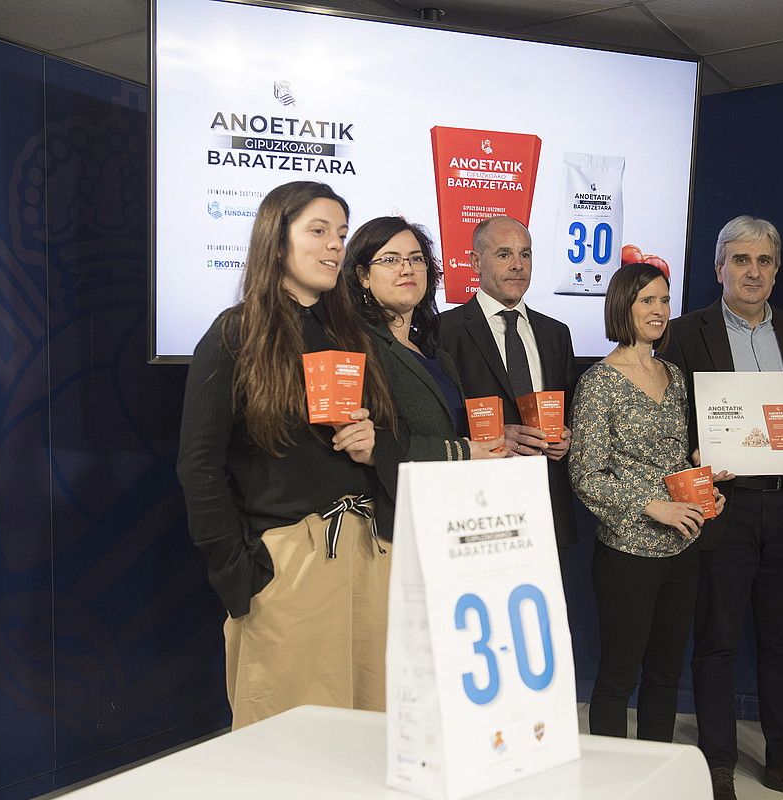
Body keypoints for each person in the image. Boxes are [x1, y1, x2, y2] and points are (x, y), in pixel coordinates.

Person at [176, 181, 396, 729]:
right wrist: (240, 573)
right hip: (288, 560)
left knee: (372, 733)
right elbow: (198, 465)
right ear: (277, 240)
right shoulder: (236, 334)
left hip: (369, 551)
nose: (334, 246)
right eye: (318, 231)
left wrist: (374, 446)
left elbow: (390, 438)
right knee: (291, 742)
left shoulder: (353, 335)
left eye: (341, 234)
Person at [658, 216, 783, 800]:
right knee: (716, 643)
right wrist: (693, 454)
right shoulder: (686, 333)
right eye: (741, 260)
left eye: (765, 261)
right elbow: (670, 420)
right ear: (720, 269)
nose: (753, 271)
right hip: (725, 508)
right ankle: (717, 764)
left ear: (777, 270)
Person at [569, 262, 724, 742]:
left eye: (664, 300)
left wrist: (705, 486)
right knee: (618, 678)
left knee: (665, 675)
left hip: (683, 547)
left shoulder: (673, 374)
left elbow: (676, 457)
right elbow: (586, 475)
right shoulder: (599, 382)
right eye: (647, 301)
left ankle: (657, 771)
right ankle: (613, 777)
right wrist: (653, 506)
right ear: (623, 306)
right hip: (627, 554)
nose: (659, 310)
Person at [438, 216, 579, 555]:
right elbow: (436, 421)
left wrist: (567, 437)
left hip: (547, 506)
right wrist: (492, 436)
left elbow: (570, 410)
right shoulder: (443, 331)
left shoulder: (556, 333)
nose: (518, 265)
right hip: (478, 509)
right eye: (504, 254)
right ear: (475, 262)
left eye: (525, 254)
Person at [341, 216, 503, 473]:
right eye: (390, 260)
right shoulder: (356, 346)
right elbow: (371, 445)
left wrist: (495, 437)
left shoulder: (433, 352)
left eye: (416, 259)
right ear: (363, 276)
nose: (407, 269)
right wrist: (462, 452)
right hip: (396, 495)